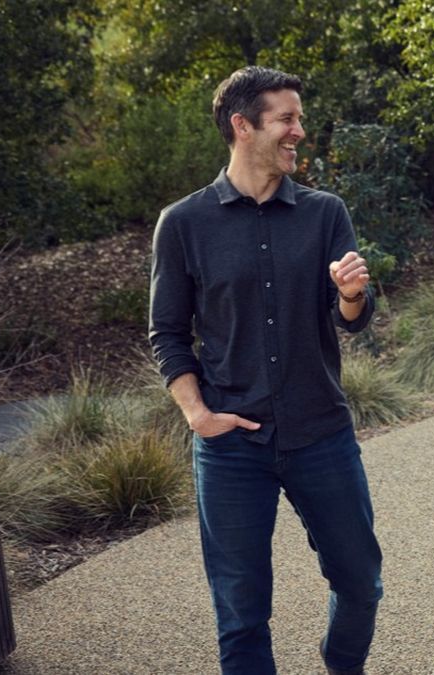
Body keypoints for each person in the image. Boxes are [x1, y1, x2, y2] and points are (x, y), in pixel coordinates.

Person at [149, 65, 381, 675]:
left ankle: (342, 663)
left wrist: (351, 294)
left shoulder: (324, 213)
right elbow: (167, 333)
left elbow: (352, 318)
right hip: (231, 447)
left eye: (299, 119)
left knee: (361, 583)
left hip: (321, 433)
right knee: (241, 613)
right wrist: (198, 415)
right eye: (287, 119)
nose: (299, 131)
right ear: (242, 126)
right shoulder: (183, 224)